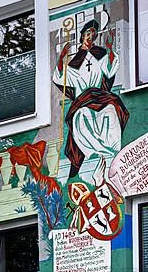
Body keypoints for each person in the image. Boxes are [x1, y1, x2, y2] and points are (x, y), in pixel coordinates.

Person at [53, 19, 129, 178]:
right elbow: (61, 78)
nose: (90, 37)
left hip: (100, 97)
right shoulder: (74, 62)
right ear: (82, 36)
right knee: (81, 117)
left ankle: (113, 152)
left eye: (93, 34)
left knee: (111, 111)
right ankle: (95, 153)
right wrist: (61, 59)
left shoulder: (99, 54)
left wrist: (109, 48)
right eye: (87, 34)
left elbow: (109, 69)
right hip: (83, 101)